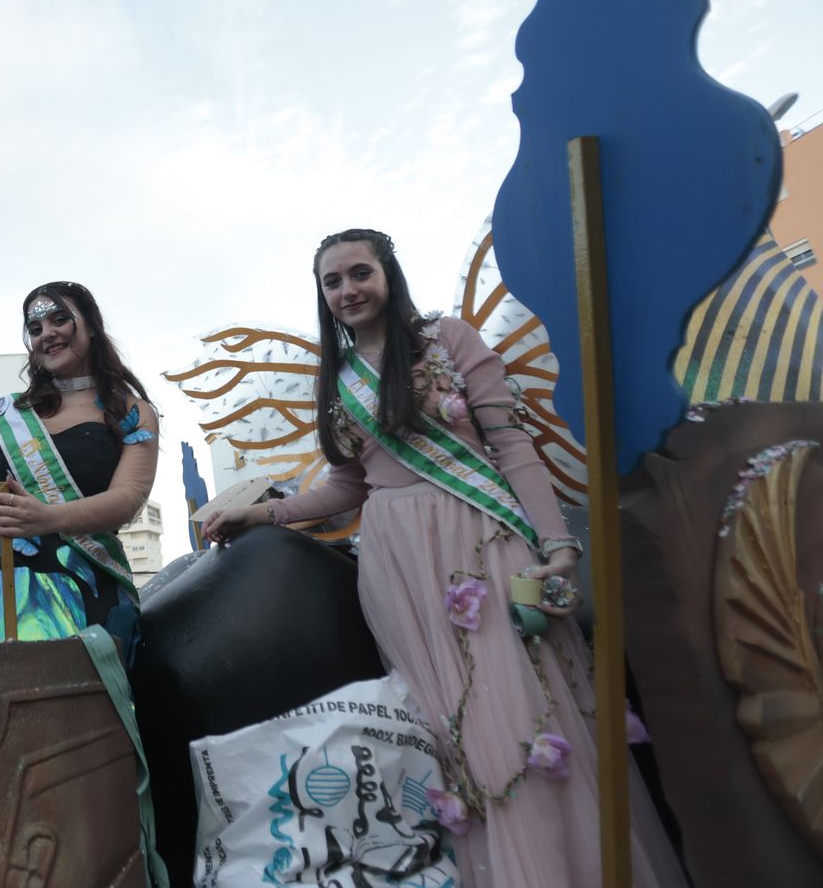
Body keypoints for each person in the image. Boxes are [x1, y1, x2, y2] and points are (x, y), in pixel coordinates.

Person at [203, 229, 684, 887]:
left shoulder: (449, 340)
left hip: (480, 542)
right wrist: (258, 512)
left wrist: (558, 546)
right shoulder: (339, 378)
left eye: (358, 272)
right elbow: (349, 487)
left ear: (388, 274)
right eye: (332, 281)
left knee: (518, 715)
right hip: (399, 568)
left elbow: (509, 446)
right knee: (445, 731)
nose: (347, 289)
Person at [0, 281, 159, 666]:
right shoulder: (7, 414)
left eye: (59, 319)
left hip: (86, 583)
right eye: (35, 329)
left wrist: (51, 518)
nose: (46, 334)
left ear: (91, 325)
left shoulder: (131, 411)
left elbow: (129, 496)